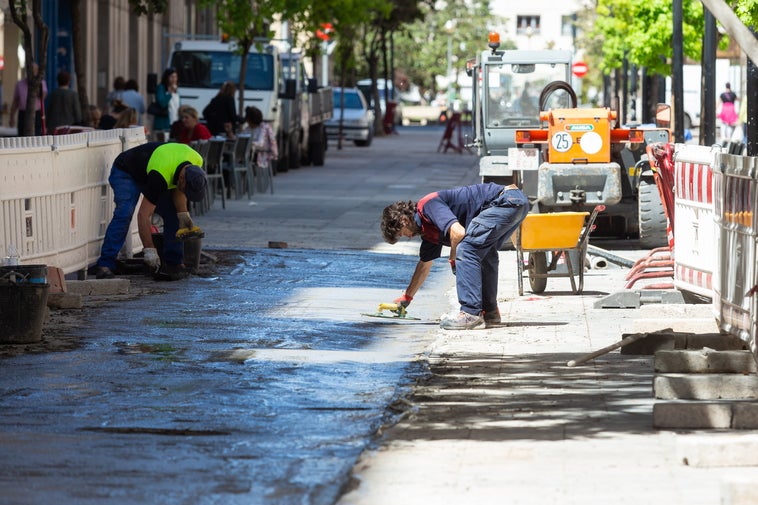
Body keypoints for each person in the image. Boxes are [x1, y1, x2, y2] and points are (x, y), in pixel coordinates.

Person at [381, 182, 529, 330]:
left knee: (466, 249)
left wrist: (453, 258)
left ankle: (470, 313)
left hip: (506, 201)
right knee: (485, 253)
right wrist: (407, 297)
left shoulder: (428, 205)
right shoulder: (428, 231)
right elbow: (424, 265)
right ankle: (490, 313)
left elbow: (458, 233)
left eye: (402, 234)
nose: (408, 237)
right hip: (516, 203)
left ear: (404, 221)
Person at [94, 142, 208, 281]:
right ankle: (105, 265)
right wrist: (149, 250)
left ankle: (174, 263)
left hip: (152, 168)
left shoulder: (196, 161)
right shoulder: (160, 175)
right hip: (126, 171)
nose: (186, 192)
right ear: (182, 179)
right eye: (186, 189)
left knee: (173, 214)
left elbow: (179, 190)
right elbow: (143, 215)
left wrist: (183, 215)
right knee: (124, 213)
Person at [9, 63, 48, 136]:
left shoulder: (41, 83)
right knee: (22, 135)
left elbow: (43, 96)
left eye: (34, 71)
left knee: (36, 135)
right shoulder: (20, 84)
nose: (32, 73)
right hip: (23, 113)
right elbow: (16, 101)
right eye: (30, 71)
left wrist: (35, 86)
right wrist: (12, 116)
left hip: (37, 113)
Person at [152, 67, 180, 132]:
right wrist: (170, 93)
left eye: (175, 77)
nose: (174, 79)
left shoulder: (176, 89)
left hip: (175, 122)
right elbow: (162, 103)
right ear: (167, 78)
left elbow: (178, 105)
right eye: (171, 77)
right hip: (164, 123)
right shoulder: (161, 88)